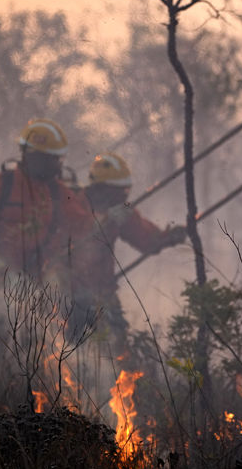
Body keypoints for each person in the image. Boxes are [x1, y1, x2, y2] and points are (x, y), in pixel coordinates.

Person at [70, 152, 187, 360]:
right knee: (69, 347)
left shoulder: (120, 210)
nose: (123, 197)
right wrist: (105, 221)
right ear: (101, 189)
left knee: (117, 347)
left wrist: (169, 237)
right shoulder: (74, 204)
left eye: (126, 190)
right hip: (67, 290)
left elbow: (146, 238)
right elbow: (76, 239)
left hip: (103, 290)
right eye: (119, 191)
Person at [0, 118, 92, 301]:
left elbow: (84, 226)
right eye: (53, 159)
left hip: (40, 291)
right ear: (34, 156)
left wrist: (108, 215)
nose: (57, 165)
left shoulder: (59, 192)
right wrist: (3, 274)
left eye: (59, 159)